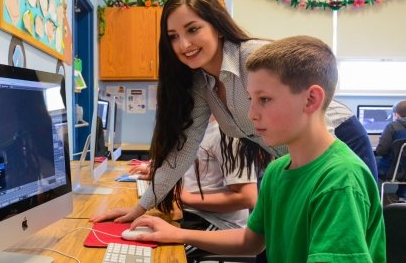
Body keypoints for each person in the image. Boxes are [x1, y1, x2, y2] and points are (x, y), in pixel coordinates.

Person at [90, 0, 377, 225]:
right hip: (285, 162)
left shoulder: (253, 56)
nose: (184, 44)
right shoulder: (201, 84)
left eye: (192, 29)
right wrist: (138, 208)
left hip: (336, 141)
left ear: (215, 25)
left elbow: (314, 116)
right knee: (276, 244)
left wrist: (318, 172)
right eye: (173, 37)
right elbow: (183, 149)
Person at [127, 35, 386, 262]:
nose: (251, 114)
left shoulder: (339, 181)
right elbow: (251, 242)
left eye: (264, 100)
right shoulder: (276, 171)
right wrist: (176, 234)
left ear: (311, 99)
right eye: (251, 99)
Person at [130, 116, 262, 261]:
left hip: (217, 225)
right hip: (194, 216)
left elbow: (248, 197)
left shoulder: (227, 134)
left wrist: (187, 197)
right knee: (137, 239)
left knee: (154, 254)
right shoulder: (196, 131)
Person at [376, 100, 406, 202]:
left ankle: (373, 197)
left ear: (396, 114)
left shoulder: (392, 126)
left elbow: (380, 150)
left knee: (370, 161)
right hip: (404, 171)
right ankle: (402, 196)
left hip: (391, 171)